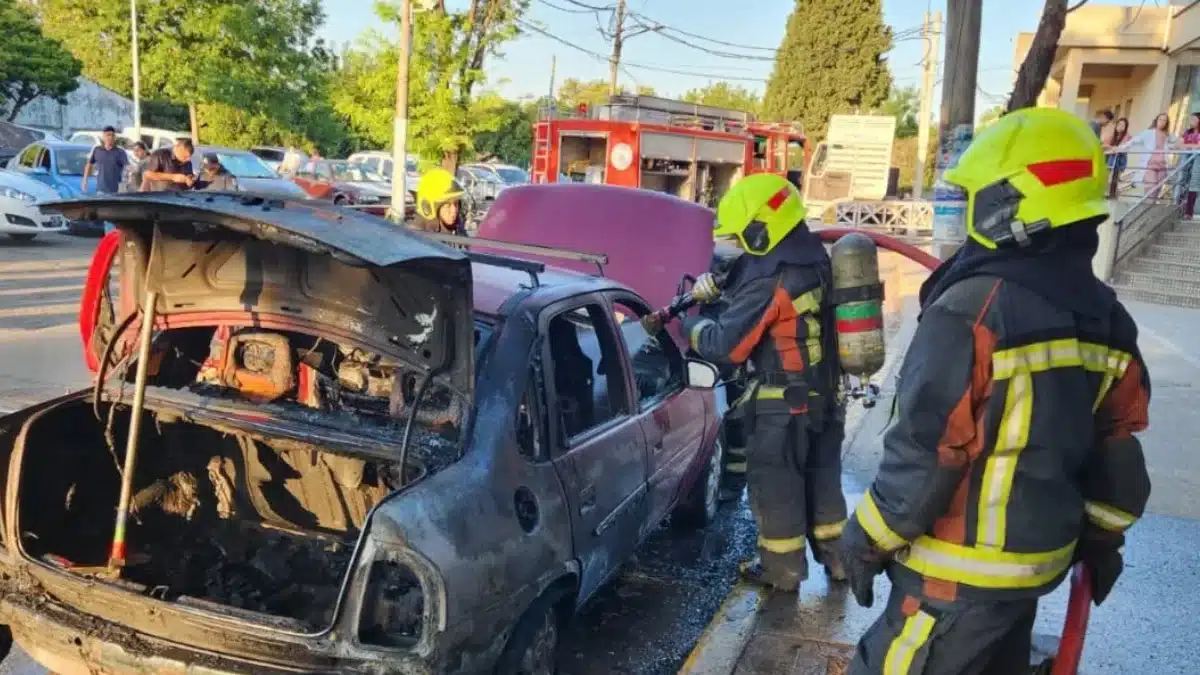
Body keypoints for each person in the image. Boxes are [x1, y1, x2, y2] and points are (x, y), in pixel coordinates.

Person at [839, 107, 1151, 675]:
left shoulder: (973, 309)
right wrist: (1106, 540)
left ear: (1010, 206)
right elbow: (1119, 448)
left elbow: (927, 449)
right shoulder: (1108, 318)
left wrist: (865, 540)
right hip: (1028, 579)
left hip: (953, 578)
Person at [668, 173, 849, 591]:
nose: (727, 245)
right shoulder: (817, 259)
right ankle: (840, 562)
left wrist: (691, 328)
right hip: (826, 396)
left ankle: (781, 571)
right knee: (823, 480)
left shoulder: (772, 279)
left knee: (776, 483)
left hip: (782, 404)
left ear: (760, 229)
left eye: (733, 236)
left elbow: (726, 347)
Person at [413, 168, 466, 236]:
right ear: (428, 207)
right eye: (448, 205)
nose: (454, 210)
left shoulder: (456, 229)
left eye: (456, 203)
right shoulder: (418, 237)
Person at [81, 126, 128, 196]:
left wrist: (131, 172)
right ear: (103, 137)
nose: (110, 137)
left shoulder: (120, 152)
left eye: (112, 135)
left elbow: (127, 166)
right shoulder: (97, 150)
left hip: (116, 190)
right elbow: (89, 165)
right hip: (101, 189)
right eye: (108, 135)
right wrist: (85, 180)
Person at [1180, 113, 1200, 219]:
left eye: (1193, 118)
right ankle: (1180, 208)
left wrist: (1187, 146)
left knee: (1194, 184)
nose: (1191, 120)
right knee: (1183, 182)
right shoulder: (1187, 132)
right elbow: (1179, 145)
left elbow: (1199, 146)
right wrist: (1193, 146)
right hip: (1186, 162)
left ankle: (1188, 212)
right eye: (1190, 118)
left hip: (1197, 162)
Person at [1106, 117, 1130, 198]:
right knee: (1108, 178)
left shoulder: (1127, 136)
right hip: (1111, 159)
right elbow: (1105, 144)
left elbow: (1122, 147)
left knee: (1115, 179)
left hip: (1120, 160)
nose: (1120, 126)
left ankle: (1113, 195)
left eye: (1123, 125)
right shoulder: (1113, 135)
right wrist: (1112, 148)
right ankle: (1110, 194)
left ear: (1125, 127)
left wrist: (1113, 148)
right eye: (1119, 124)